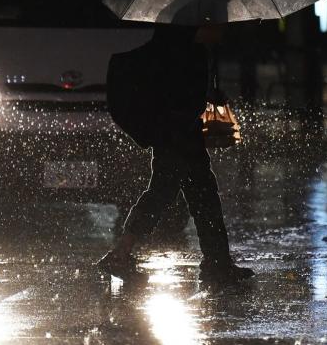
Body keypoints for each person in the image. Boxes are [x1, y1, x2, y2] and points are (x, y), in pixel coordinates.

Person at [98, 22, 254, 285]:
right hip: (175, 134)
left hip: (182, 133)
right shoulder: (178, 49)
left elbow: (187, 93)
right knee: (165, 192)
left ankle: (217, 262)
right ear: (200, 22)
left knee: (202, 195)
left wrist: (209, 94)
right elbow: (174, 94)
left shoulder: (189, 47)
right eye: (218, 21)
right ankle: (121, 253)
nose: (224, 29)